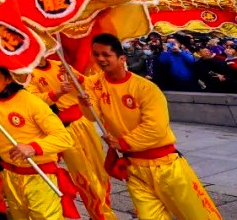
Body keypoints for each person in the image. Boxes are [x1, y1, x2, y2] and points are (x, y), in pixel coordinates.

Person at [82, 33, 222, 220]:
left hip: (165, 165)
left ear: (122, 58)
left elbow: (155, 128)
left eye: (106, 55)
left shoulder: (146, 88)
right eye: (96, 54)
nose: (100, 59)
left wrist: (123, 143)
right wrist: (83, 102)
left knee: (197, 215)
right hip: (134, 168)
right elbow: (92, 116)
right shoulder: (94, 84)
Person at [0, 62, 75, 220]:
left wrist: (33, 147)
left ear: (9, 79)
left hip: (38, 174)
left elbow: (64, 138)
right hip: (10, 174)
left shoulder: (31, 102)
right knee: (18, 216)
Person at [27, 58, 116, 220]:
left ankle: (104, 210)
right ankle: (100, 216)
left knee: (100, 170)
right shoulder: (28, 75)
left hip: (84, 122)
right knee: (84, 176)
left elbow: (88, 85)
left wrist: (76, 76)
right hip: (64, 129)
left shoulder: (60, 64)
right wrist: (58, 93)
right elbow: (34, 102)